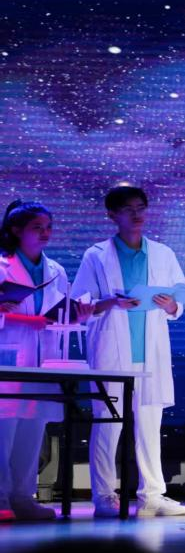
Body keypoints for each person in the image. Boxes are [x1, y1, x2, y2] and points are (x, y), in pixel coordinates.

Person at [71, 186, 185, 518]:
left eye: (140, 207)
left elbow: (179, 300)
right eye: (128, 209)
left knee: (150, 424)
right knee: (108, 423)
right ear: (112, 215)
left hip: (150, 350)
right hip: (111, 350)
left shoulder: (163, 253)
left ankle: (152, 495)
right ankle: (103, 496)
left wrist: (170, 305)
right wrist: (112, 302)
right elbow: (81, 305)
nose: (136, 214)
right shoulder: (96, 255)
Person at [0, 201, 92, 521]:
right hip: (9, 357)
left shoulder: (56, 271)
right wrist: (27, 321)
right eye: (37, 228)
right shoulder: (2, 266)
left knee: (33, 429)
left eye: (49, 227)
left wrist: (76, 314)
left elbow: (56, 314)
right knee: (4, 430)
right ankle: (1, 499)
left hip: (44, 360)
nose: (45, 233)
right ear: (16, 230)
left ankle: (23, 497)